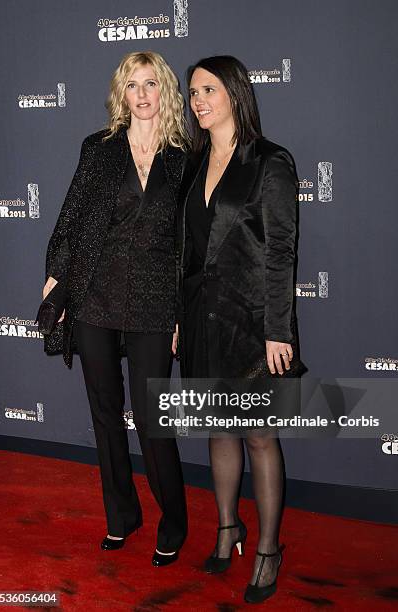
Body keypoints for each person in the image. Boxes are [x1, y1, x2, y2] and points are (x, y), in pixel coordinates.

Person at [43, 51, 188, 567]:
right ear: (121, 94)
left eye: (151, 84)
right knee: (105, 417)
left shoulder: (183, 157)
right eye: (132, 85)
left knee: (152, 421)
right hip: (96, 299)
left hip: (154, 302)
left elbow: (190, 247)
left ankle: (174, 519)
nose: (142, 94)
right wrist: (55, 284)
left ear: (165, 90)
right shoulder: (98, 148)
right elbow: (72, 217)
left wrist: (180, 317)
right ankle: (121, 516)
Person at [176, 55, 304, 603]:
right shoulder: (194, 162)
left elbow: (281, 251)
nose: (196, 101)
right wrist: (180, 320)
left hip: (252, 324)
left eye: (207, 89)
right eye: (191, 92)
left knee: (257, 435)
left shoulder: (270, 162)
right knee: (218, 429)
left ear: (235, 93)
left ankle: (269, 548)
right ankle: (228, 528)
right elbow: (188, 251)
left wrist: (279, 329)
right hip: (203, 317)